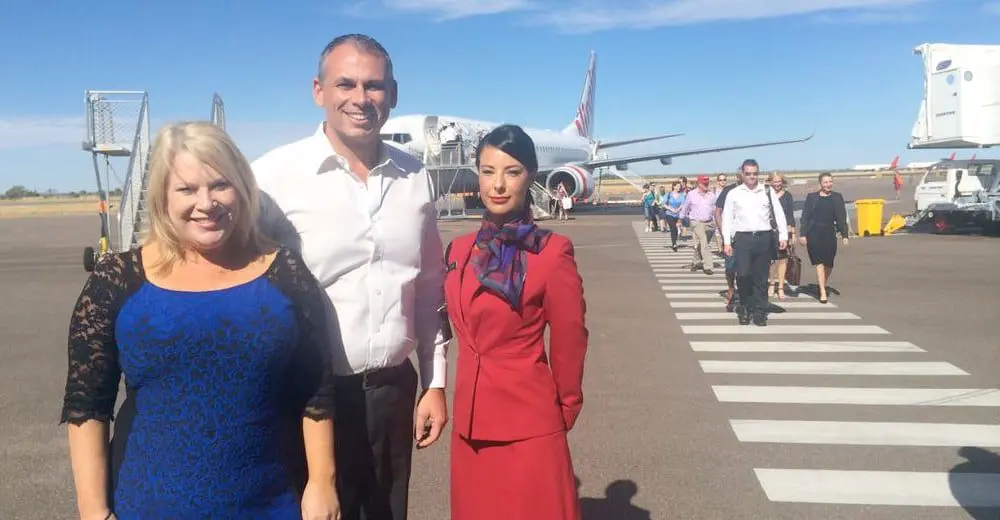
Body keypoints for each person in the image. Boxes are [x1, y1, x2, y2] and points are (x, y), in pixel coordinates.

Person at [60, 121, 339, 520]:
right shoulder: (117, 280)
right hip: (146, 503)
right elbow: (87, 404)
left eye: (220, 185)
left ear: (242, 189)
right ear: (162, 197)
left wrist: (322, 483)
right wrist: (92, 510)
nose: (206, 203)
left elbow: (316, 387)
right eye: (187, 189)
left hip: (268, 501)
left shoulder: (284, 272)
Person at [251, 34, 451, 520]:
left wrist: (436, 381)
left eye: (374, 86)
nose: (361, 99)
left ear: (394, 94)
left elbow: (427, 289)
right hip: (303, 399)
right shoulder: (272, 178)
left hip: (392, 393)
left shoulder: (415, 178)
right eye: (346, 84)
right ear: (318, 90)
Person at [444, 124, 588, 520]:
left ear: (531, 174)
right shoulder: (459, 249)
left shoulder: (552, 252)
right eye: (488, 171)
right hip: (470, 428)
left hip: (529, 423)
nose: (499, 185)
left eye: (512, 171)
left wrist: (566, 406)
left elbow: (569, 337)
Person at [721, 159, 788, 326]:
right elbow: (727, 219)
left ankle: (760, 312)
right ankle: (744, 308)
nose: (752, 177)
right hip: (743, 239)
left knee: (761, 277)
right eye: (748, 174)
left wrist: (783, 236)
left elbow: (779, 214)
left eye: (755, 174)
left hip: (763, 237)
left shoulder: (767, 191)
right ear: (742, 174)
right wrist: (727, 242)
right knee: (743, 275)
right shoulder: (734, 194)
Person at [799, 172, 849, 303]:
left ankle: (823, 283)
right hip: (814, 232)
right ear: (820, 184)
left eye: (830, 182)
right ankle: (822, 291)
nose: (828, 184)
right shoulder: (812, 197)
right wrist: (803, 234)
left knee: (829, 263)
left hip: (829, 232)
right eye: (825, 182)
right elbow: (805, 217)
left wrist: (845, 235)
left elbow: (841, 217)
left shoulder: (837, 197)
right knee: (819, 262)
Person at [714, 169, 743, 310]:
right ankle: (731, 288)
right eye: (743, 174)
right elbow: (717, 211)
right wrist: (722, 230)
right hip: (731, 236)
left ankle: (745, 293)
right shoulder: (729, 191)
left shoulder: (756, 191)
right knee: (730, 267)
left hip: (749, 236)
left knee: (747, 267)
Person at [765, 172, 795, 299]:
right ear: (770, 182)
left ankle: (781, 286)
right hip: (770, 230)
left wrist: (792, 232)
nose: (777, 184)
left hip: (784, 231)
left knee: (783, 260)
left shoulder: (787, 196)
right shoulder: (766, 195)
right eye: (775, 181)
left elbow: (790, 214)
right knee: (772, 261)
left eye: (779, 181)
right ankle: (772, 284)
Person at [678, 175, 717, 272]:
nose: (706, 185)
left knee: (703, 244)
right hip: (696, 222)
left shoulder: (711, 195)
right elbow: (685, 207)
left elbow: (715, 210)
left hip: (709, 223)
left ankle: (696, 262)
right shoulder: (691, 194)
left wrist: (717, 223)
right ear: (699, 183)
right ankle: (708, 266)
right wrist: (680, 219)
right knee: (704, 242)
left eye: (707, 183)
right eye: (704, 183)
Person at [660, 182, 685, 250]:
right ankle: (674, 244)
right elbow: (663, 204)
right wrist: (671, 209)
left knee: (676, 230)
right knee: (673, 228)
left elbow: (683, 204)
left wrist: (678, 209)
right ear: (673, 187)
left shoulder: (682, 195)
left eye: (680, 186)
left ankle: (675, 241)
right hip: (669, 213)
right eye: (677, 186)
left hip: (678, 214)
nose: (679, 187)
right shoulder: (669, 194)